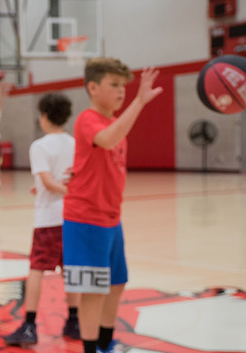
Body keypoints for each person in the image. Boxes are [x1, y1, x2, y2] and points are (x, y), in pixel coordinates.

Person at [63, 58, 162, 353]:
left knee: (117, 284)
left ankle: (106, 343)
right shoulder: (87, 118)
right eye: (114, 85)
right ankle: (91, 349)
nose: (122, 92)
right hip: (86, 221)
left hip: (111, 219)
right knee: (93, 291)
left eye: (124, 86)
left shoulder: (113, 121)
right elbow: (107, 140)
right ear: (93, 88)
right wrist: (140, 102)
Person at [4, 93, 80, 345]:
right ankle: (74, 320)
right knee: (70, 272)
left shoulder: (40, 146)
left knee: (36, 269)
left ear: (45, 116)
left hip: (48, 219)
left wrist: (48, 186)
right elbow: (63, 178)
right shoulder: (75, 143)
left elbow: (49, 180)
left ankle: (29, 325)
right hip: (72, 218)